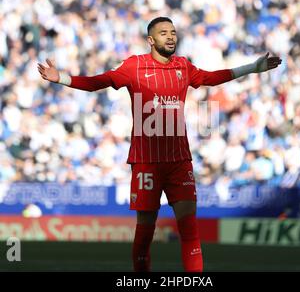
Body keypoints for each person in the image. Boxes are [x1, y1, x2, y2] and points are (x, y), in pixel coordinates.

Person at [38, 16, 282, 272]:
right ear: (151, 40)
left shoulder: (183, 66)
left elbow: (212, 77)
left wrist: (252, 68)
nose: (171, 36)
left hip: (179, 160)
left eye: (173, 32)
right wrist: (62, 78)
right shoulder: (134, 66)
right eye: (164, 32)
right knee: (145, 231)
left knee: (189, 229)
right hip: (146, 161)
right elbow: (99, 82)